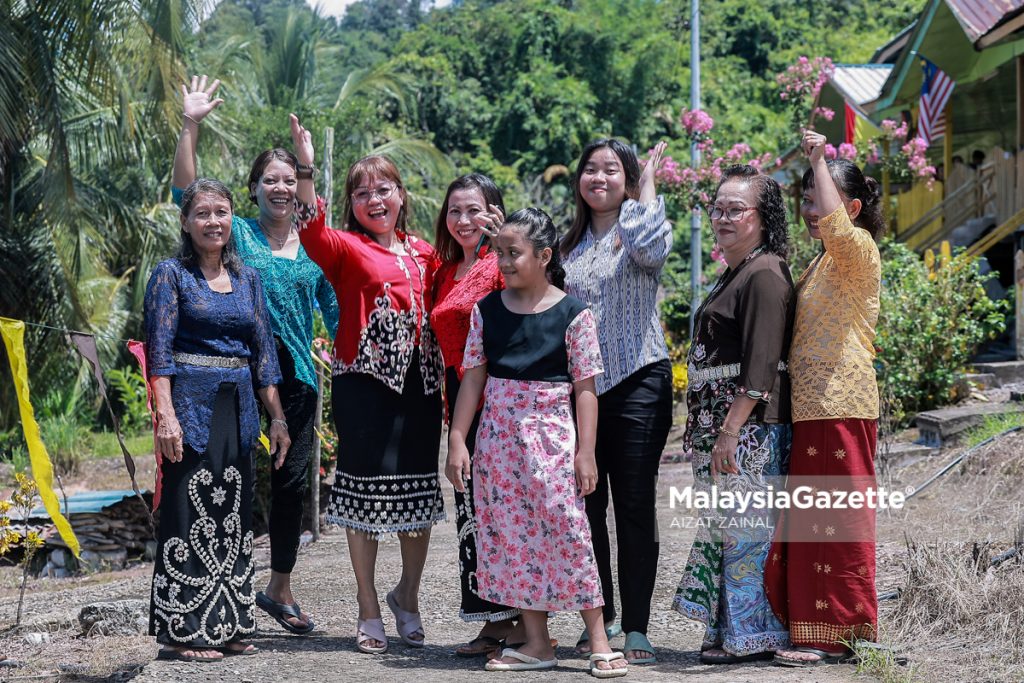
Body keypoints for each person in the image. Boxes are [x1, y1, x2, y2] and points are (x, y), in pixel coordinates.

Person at [171, 75, 338, 636]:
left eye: (290, 181)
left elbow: (336, 304)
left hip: (295, 380)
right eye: (271, 180)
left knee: (291, 483)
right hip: (236, 378)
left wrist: (350, 351)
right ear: (254, 189)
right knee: (232, 480)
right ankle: (218, 594)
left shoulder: (314, 244)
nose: (282, 189)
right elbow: (187, 196)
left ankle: (278, 586)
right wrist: (191, 124)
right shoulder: (237, 233)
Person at [447, 208, 628, 678]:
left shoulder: (574, 313)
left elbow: (585, 389)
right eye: (499, 252)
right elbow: (473, 379)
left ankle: (599, 640)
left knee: (570, 532)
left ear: (544, 255)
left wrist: (585, 452)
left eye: (514, 253)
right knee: (512, 538)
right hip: (498, 442)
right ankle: (537, 642)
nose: (503, 262)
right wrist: (457, 439)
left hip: (551, 440)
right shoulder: (486, 312)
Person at [298, 154, 445, 654]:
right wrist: (305, 169)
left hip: (421, 388)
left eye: (384, 189)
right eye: (362, 193)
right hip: (363, 387)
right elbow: (311, 230)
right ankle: (367, 606)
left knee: (417, 499)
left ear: (401, 195)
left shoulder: (427, 253)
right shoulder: (345, 246)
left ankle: (408, 596)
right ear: (352, 204)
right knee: (362, 499)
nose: (374, 200)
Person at [145, 178, 291, 662]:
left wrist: (276, 417)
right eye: (202, 213)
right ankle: (181, 632)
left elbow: (264, 353)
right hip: (189, 405)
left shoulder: (249, 279)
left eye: (222, 212)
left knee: (231, 514)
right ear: (186, 222)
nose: (214, 222)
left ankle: (226, 622)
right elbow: (159, 353)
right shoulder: (171, 275)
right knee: (189, 511)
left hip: (239, 408)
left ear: (233, 218)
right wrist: (165, 415)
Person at [767, 131, 883, 668]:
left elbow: (836, 228)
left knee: (838, 527)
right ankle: (813, 631)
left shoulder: (858, 251)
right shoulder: (818, 265)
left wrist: (819, 159)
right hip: (812, 409)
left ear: (852, 206)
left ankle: (842, 633)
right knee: (814, 527)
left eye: (819, 198)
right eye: (807, 201)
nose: (812, 210)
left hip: (843, 404)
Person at [672, 164, 794, 664]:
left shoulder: (765, 274)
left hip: (746, 432)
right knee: (726, 528)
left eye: (735, 209)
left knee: (745, 532)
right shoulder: (736, 270)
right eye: (717, 208)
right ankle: (726, 629)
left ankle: (751, 634)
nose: (723, 217)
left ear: (762, 217)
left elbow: (762, 364)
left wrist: (728, 431)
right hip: (722, 429)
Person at [562, 139, 674, 665]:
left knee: (632, 504)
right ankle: (598, 617)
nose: (598, 178)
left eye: (612, 170)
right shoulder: (568, 245)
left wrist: (646, 182)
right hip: (581, 392)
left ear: (626, 181)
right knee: (587, 506)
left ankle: (636, 627)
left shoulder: (636, 229)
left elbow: (653, 247)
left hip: (639, 382)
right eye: (590, 169)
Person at [431, 174, 520, 656]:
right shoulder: (445, 272)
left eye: (475, 210)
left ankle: (521, 621)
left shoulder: (499, 263)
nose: (464, 220)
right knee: (470, 514)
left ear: (494, 212)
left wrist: (505, 242)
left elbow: (530, 294)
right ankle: (491, 619)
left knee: (502, 513)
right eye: (455, 211)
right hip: (457, 393)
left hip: (499, 398)